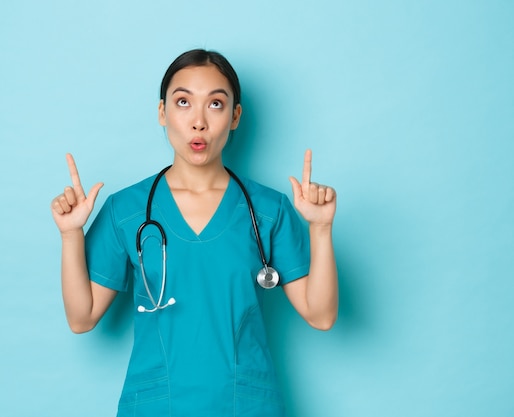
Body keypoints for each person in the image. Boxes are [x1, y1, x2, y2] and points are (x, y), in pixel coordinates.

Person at [50, 49, 338, 417]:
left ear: (235, 117)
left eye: (215, 104)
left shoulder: (268, 209)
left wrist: (322, 227)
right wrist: (71, 234)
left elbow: (322, 315)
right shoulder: (126, 210)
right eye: (183, 102)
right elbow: (82, 317)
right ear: (162, 113)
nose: (198, 122)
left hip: (244, 406)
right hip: (157, 406)